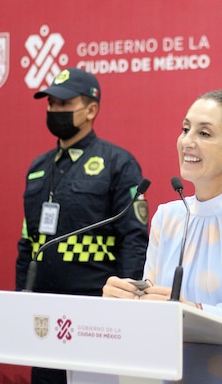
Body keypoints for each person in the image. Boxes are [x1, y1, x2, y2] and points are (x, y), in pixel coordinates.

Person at [103, 90, 222, 384]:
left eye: (204, 133)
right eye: (186, 129)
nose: (188, 141)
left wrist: (193, 311)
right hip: (173, 376)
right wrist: (127, 298)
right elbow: (154, 305)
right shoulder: (168, 216)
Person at [15, 68, 149, 384]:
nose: (54, 111)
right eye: (51, 104)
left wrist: (127, 305)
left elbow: (134, 237)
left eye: (64, 104)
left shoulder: (118, 163)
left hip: (95, 310)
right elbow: (28, 242)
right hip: (44, 313)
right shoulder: (37, 167)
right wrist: (22, 297)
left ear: (91, 110)